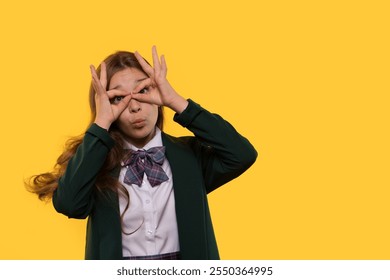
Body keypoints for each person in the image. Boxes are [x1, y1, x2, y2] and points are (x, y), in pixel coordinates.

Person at [26, 46, 257, 260]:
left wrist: (175, 101)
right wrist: (101, 123)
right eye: (118, 97)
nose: (135, 106)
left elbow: (242, 154)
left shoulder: (190, 156)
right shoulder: (95, 162)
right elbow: (68, 204)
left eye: (143, 90)